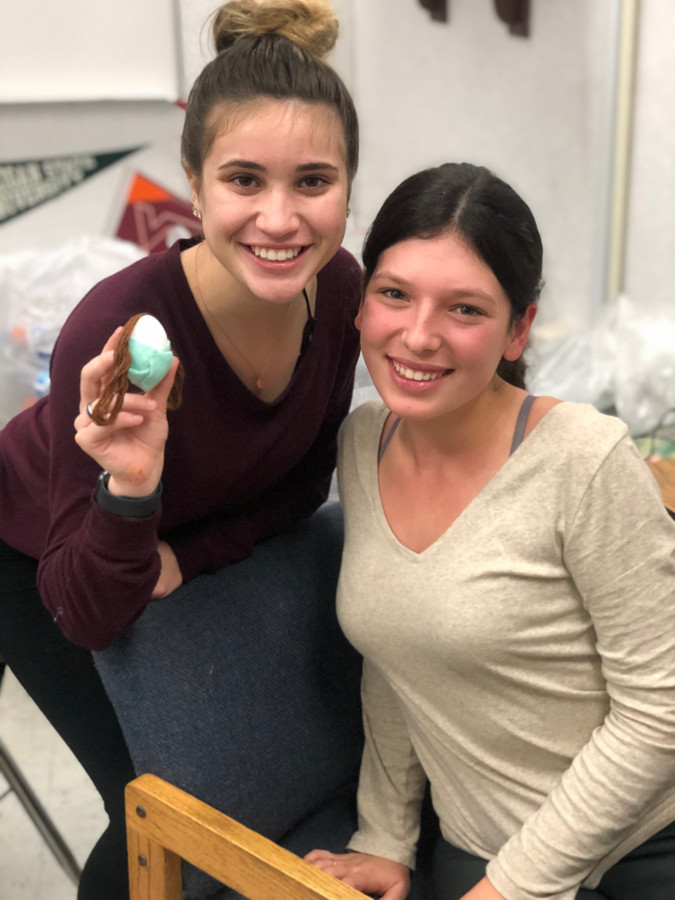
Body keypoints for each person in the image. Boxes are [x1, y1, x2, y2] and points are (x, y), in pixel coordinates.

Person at [0, 2, 365, 898]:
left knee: (243, 789)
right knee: (157, 817)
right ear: (194, 190)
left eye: (312, 181)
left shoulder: (344, 292)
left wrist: (187, 553)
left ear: (350, 186)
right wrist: (132, 492)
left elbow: (304, 486)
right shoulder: (120, 328)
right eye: (244, 180)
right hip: (35, 554)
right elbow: (84, 607)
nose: (279, 220)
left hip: (171, 553)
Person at [306, 162, 675, 900]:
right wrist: (384, 836)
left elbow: (659, 708)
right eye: (394, 294)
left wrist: (515, 886)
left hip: (639, 842)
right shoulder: (360, 442)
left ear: (518, 329)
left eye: (464, 310)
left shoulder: (583, 459)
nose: (417, 336)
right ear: (360, 303)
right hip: (478, 847)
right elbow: (396, 651)